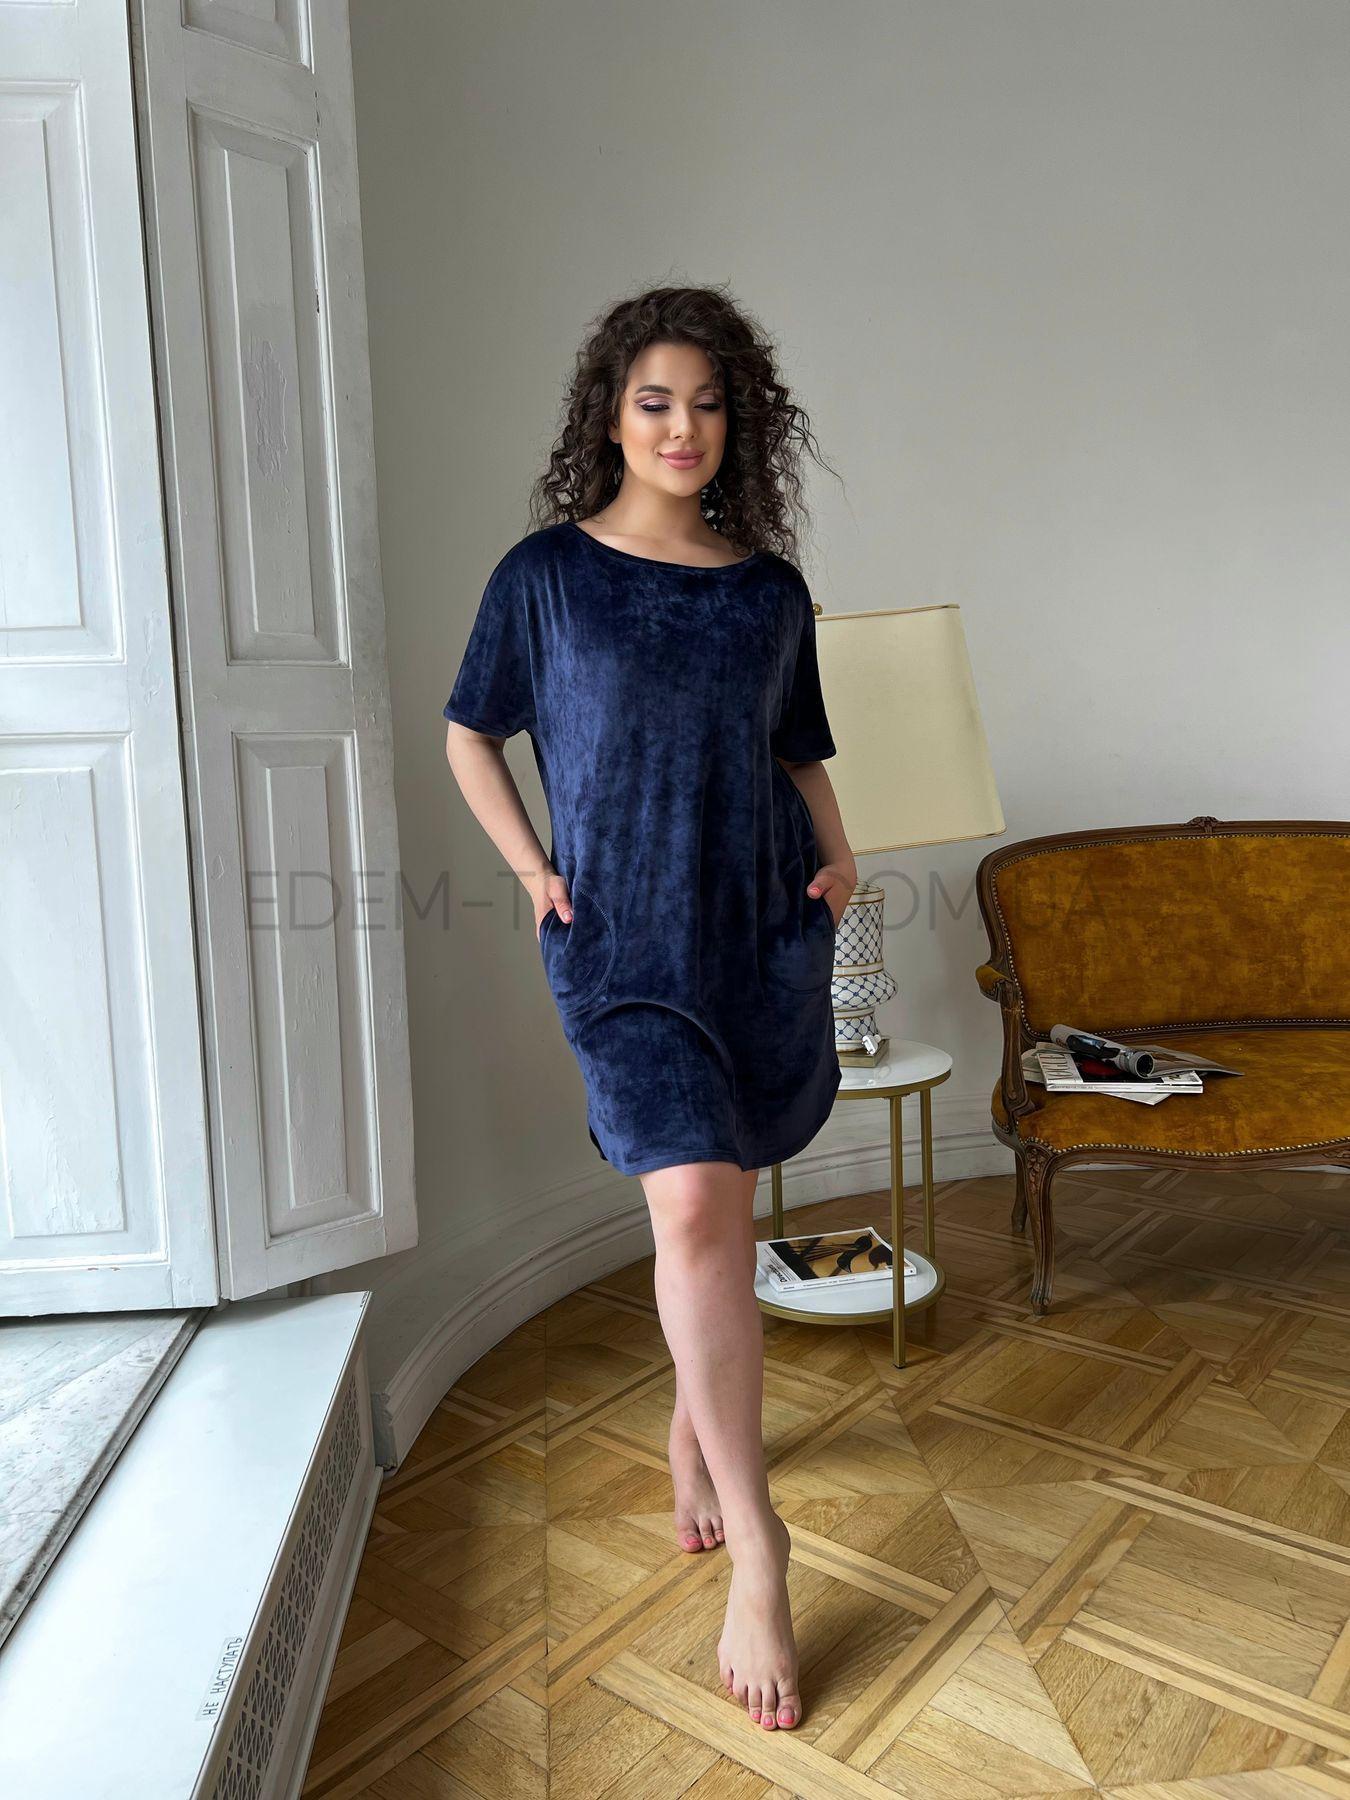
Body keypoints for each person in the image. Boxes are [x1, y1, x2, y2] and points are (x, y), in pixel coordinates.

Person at [443, 284, 857, 1732]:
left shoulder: (767, 591)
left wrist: (842, 853)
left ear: (741, 421)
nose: (684, 428)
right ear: (609, 418)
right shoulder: (545, 576)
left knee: (719, 1214)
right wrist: (534, 872)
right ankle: (762, 1546)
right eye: (654, 401)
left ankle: (691, 1436)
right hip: (620, 944)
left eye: (708, 402)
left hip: (757, 929)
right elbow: (470, 733)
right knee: (692, 1208)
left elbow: (798, 748)